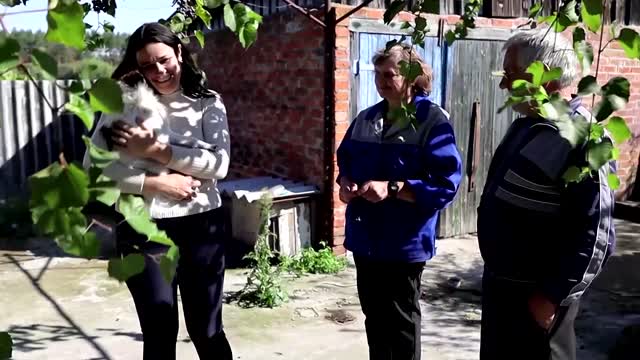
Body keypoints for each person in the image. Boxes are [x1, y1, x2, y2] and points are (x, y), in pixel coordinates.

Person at [83, 22, 232, 360]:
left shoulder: (207, 102)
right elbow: (95, 168)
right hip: (142, 227)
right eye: (147, 65)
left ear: (179, 51)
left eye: (164, 59)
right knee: (159, 332)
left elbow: (219, 165)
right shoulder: (124, 102)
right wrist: (154, 183)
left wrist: (154, 151)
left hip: (202, 225)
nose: (159, 71)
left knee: (207, 330)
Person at [477, 28, 615, 360]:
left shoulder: (583, 137)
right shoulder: (527, 124)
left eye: (511, 74)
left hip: (537, 299)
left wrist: (552, 296)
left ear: (546, 75)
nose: (503, 85)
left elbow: (597, 233)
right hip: (502, 288)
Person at [336, 44, 462, 360]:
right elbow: (346, 160)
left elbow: (445, 185)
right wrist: (346, 182)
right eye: (377, 73)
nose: (380, 80)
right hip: (366, 239)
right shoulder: (367, 118)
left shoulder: (432, 121)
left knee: (401, 324)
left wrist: (393, 188)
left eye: (389, 74)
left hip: (404, 243)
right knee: (375, 321)